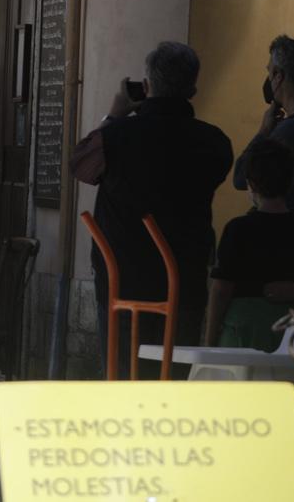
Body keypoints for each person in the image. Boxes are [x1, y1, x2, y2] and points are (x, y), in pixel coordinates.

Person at [70, 41, 234, 358]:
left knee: (123, 390)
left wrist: (114, 116)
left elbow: (80, 165)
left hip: (122, 282)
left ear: (146, 86)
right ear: (192, 90)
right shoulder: (214, 143)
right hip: (183, 284)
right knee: (173, 386)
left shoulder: (116, 137)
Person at [207, 138, 294, 348]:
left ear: (251, 184)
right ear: (289, 180)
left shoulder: (238, 229)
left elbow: (221, 290)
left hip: (243, 335)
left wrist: (209, 341)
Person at [235, 35, 294, 216]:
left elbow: (241, 177)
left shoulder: (288, 132)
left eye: (270, 71)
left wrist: (264, 131)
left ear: (278, 76)